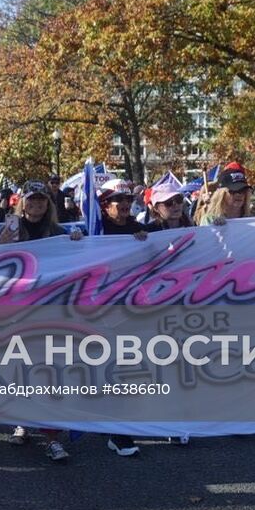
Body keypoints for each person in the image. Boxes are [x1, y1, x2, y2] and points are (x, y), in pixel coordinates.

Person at [0, 181, 83, 461]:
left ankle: (52, 437)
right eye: (31, 200)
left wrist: (79, 242)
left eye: (41, 201)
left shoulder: (57, 232)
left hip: (48, 309)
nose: (36, 206)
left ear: (48, 204)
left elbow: (73, 264)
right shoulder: (10, 227)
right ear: (23, 202)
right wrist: (4, 240)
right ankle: (21, 421)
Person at [97, 179, 147, 456]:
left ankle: (121, 430)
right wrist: (78, 240)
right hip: (98, 310)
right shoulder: (93, 229)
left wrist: (148, 241)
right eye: (119, 200)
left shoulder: (139, 229)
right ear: (106, 205)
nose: (125, 204)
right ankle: (115, 429)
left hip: (132, 310)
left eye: (128, 199)